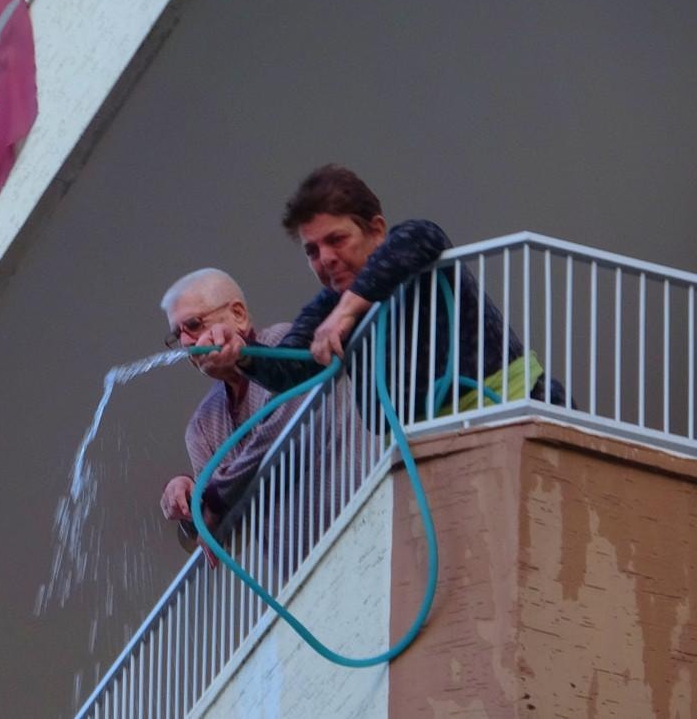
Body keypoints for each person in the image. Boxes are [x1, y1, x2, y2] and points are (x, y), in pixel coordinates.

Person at [199, 164, 566, 413]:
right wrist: (242, 352)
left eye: (336, 240)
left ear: (376, 230)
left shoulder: (409, 251)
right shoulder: (326, 306)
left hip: (515, 409)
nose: (326, 258)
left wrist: (346, 312)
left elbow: (422, 234)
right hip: (426, 446)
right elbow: (293, 367)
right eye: (312, 251)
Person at [157, 269, 305, 557]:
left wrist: (217, 494)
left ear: (238, 315)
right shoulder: (202, 425)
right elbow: (223, 534)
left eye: (193, 325)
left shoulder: (281, 343)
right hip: (298, 566)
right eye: (177, 335)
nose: (186, 343)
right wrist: (188, 498)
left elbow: (285, 436)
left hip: (360, 511)